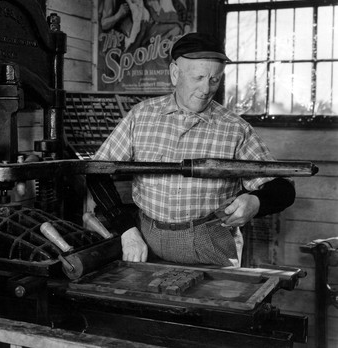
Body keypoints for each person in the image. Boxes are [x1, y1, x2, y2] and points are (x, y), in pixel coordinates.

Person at [87, 32, 295, 267]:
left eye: (214, 80)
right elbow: (95, 170)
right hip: (146, 241)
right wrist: (126, 229)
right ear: (175, 74)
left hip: (210, 245)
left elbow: (283, 188)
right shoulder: (141, 116)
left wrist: (256, 202)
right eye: (198, 78)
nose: (206, 89)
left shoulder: (235, 128)